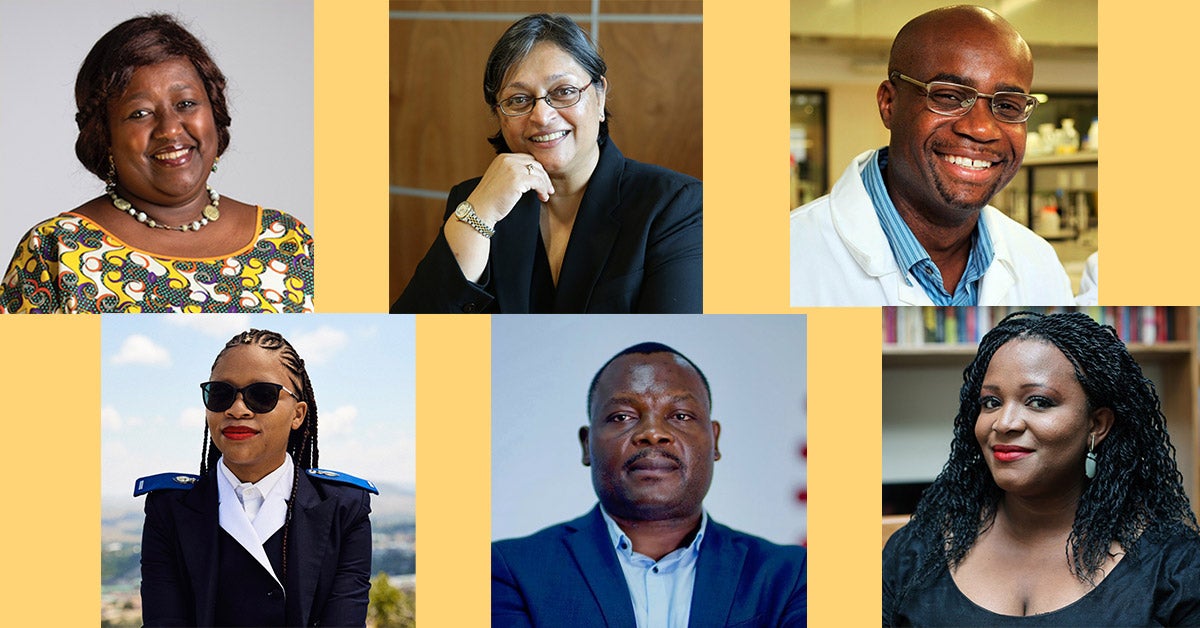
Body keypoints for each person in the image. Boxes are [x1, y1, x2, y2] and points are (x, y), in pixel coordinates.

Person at [883, 312, 1200, 625]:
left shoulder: (1174, 564)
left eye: (1038, 401)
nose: (1004, 423)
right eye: (991, 402)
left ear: (1097, 424)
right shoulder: (914, 552)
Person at [0, 14, 314, 313]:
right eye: (140, 113)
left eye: (186, 104)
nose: (170, 129)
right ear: (105, 135)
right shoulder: (55, 250)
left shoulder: (288, 240)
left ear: (214, 114)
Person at [391, 14, 701, 314]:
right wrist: (480, 215)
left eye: (563, 92)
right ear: (499, 115)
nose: (541, 116)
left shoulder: (675, 205)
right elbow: (410, 340)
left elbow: (668, 350)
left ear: (600, 96)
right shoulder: (472, 202)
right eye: (518, 99)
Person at [492, 342, 806, 627]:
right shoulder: (509, 570)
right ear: (587, 445)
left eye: (681, 416)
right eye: (622, 417)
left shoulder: (792, 575)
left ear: (715, 441)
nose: (653, 433)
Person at [789, 5, 1073, 306]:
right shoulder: (789, 258)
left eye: (1007, 106)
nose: (980, 128)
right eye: (949, 96)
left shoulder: (1039, 264)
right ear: (889, 104)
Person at [135, 329, 375, 626]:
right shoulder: (168, 507)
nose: (237, 409)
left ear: (298, 414)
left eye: (262, 395)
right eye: (221, 394)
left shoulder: (344, 507)